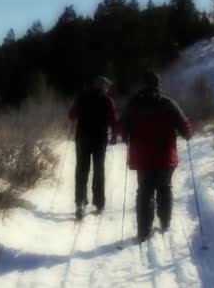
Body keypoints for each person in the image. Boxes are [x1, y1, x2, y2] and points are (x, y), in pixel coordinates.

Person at [120, 71, 192, 242]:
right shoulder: (168, 103)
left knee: (144, 192)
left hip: (142, 157)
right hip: (165, 156)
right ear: (158, 85)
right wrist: (187, 133)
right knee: (165, 188)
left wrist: (126, 136)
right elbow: (185, 128)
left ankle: (143, 231)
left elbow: (122, 128)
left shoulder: (133, 104)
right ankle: (165, 222)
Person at [69, 76, 118, 220]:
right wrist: (115, 135)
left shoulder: (81, 97)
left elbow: (71, 115)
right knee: (98, 170)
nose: (108, 88)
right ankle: (99, 203)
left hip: (82, 138)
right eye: (107, 86)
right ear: (103, 86)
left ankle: (80, 203)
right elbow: (113, 120)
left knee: (81, 170)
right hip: (99, 139)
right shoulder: (107, 100)